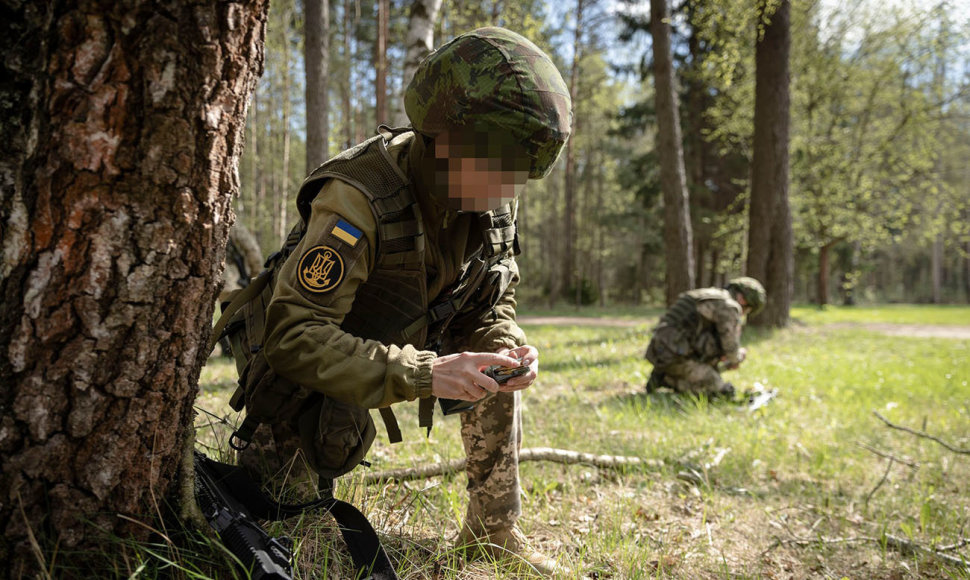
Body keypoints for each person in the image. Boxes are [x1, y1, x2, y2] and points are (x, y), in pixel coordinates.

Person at [230, 27, 572, 577]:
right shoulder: (358, 198)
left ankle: (494, 531)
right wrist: (424, 374)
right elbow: (292, 335)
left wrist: (506, 347)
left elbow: (492, 305)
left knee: (499, 355)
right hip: (307, 367)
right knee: (280, 514)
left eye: (520, 176)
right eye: (499, 170)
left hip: (404, 345)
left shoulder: (489, 200)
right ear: (444, 137)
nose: (509, 191)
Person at [644, 277, 766, 398]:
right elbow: (731, 349)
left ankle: (666, 374)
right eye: (748, 309)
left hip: (659, 350)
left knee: (716, 351)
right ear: (743, 300)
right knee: (720, 391)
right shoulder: (729, 306)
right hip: (676, 355)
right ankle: (669, 380)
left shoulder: (709, 295)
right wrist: (738, 357)